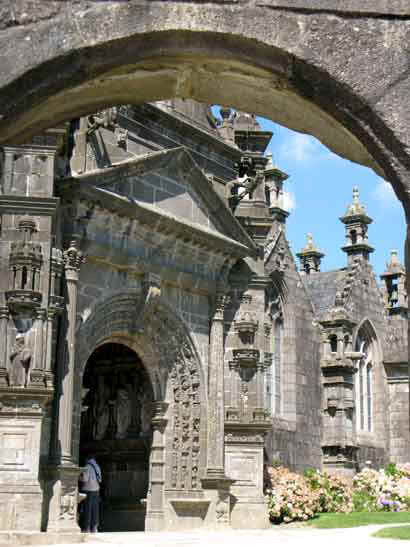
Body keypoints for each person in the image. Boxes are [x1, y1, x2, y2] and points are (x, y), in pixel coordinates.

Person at [79, 454, 102, 533]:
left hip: (88, 490)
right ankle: (95, 527)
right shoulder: (97, 466)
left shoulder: (87, 467)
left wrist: (79, 477)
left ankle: (87, 528)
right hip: (96, 490)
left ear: (87, 459)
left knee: (87, 509)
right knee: (95, 509)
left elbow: (85, 479)